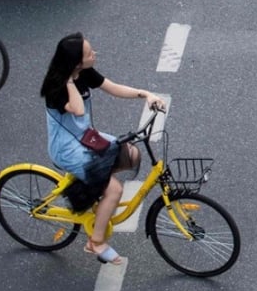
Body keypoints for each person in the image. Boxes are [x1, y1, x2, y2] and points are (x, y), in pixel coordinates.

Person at [40, 33, 165, 265]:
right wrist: (69, 79)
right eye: (89, 53)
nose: (94, 54)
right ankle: (95, 242)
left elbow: (113, 88)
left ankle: (92, 186)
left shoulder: (84, 73)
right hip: (68, 148)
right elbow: (77, 110)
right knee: (115, 190)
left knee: (132, 154)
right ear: (76, 62)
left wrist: (145, 94)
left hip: (87, 138)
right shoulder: (55, 86)